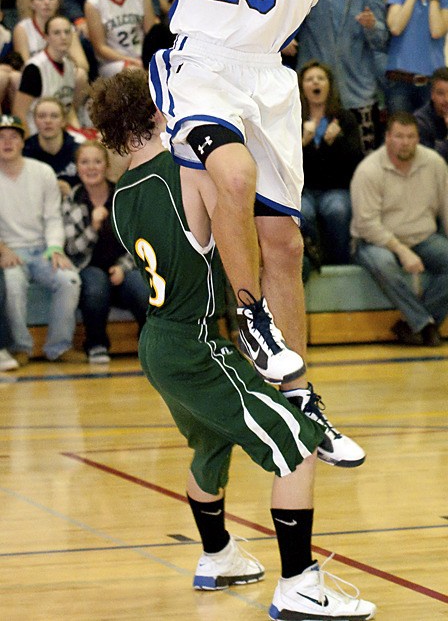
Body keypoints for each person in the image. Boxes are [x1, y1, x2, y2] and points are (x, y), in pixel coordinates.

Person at [97, 0, 365, 468]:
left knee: (287, 246)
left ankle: (302, 402)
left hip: (267, 76)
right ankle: (249, 318)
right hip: (202, 62)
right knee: (233, 175)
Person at [89, 67, 376, 619]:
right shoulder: (187, 172)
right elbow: (236, 231)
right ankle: (299, 584)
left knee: (210, 447)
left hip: (157, 343)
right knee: (298, 445)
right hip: (196, 342)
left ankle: (218, 556)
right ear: (158, 111)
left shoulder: (121, 197)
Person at [351, 111, 448, 347]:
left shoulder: (435, 163)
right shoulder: (368, 170)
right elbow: (366, 224)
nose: (405, 142)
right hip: (375, 241)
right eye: (399, 136)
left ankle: (414, 324)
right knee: (384, 263)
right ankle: (425, 325)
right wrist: (401, 250)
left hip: (423, 237)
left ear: (418, 138)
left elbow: (446, 209)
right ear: (387, 138)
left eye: (410, 136)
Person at [296, 0, 388, 153]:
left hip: (357, 91)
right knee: (312, 159)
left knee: (362, 159)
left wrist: (372, 25)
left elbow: (381, 39)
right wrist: (284, 41)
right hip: (315, 95)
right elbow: (287, 21)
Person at [0, 114, 81, 364]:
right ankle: (20, 348)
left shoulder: (42, 172)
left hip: (43, 248)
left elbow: (53, 217)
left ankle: (59, 347)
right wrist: (2, 250)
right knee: (11, 285)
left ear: (23, 142)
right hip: (10, 251)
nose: (7, 142)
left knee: (70, 280)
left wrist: (55, 248)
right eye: (1, 137)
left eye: (13, 137)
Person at [62, 141, 148, 364]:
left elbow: (138, 241)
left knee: (142, 286)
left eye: (97, 162)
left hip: (123, 267)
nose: (91, 167)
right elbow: (72, 249)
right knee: (95, 285)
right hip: (88, 267)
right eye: (85, 162)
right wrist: (93, 227)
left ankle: (149, 344)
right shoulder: (73, 200)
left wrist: (123, 267)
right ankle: (96, 344)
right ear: (77, 167)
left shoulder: (122, 196)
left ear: (106, 166)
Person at [299, 60, 363, 265]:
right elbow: (283, 162)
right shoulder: (293, 119)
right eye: (309, 79)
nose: (315, 83)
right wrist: (303, 143)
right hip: (304, 190)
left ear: (329, 85)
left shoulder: (345, 119)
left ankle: (339, 264)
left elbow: (356, 161)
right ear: (302, 87)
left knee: (337, 210)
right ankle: (313, 260)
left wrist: (338, 141)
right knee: (302, 212)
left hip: (336, 188)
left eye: (320, 78)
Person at [385, 0, 448, 114]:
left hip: (431, 82)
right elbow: (395, 28)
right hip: (400, 81)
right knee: (400, 127)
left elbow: (436, 31)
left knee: (430, 129)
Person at [12, 0, 89, 105]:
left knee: (81, 74)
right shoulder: (23, 28)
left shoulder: (66, 27)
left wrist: (66, 66)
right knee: (16, 78)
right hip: (36, 76)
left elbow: (83, 64)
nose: (46, 2)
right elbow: (25, 65)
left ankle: (70, 112)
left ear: (58, 2)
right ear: (32, 3)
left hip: (62, 74)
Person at [14, 14, 83, 136]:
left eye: (67, 32)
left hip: (60, 132)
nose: (63, 37)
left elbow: (67, 105)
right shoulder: (34, 68)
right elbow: (19, 112)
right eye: (57, 33)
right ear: (46, 37)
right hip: (37, 134)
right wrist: (29, 143)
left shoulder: (69, 65)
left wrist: (78, 130)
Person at [23, 96, 79, 196]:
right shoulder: (24, 153)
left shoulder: (79, 151)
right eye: (42, 116)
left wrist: (72, 193)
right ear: (34, 120)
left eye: (54, 116)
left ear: (63, 121)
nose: (48, 121)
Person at [414, 67, 448, 162]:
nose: (446, 99)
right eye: (441, 93)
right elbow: (429, 163)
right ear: (432, 95)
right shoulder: (420, 122)